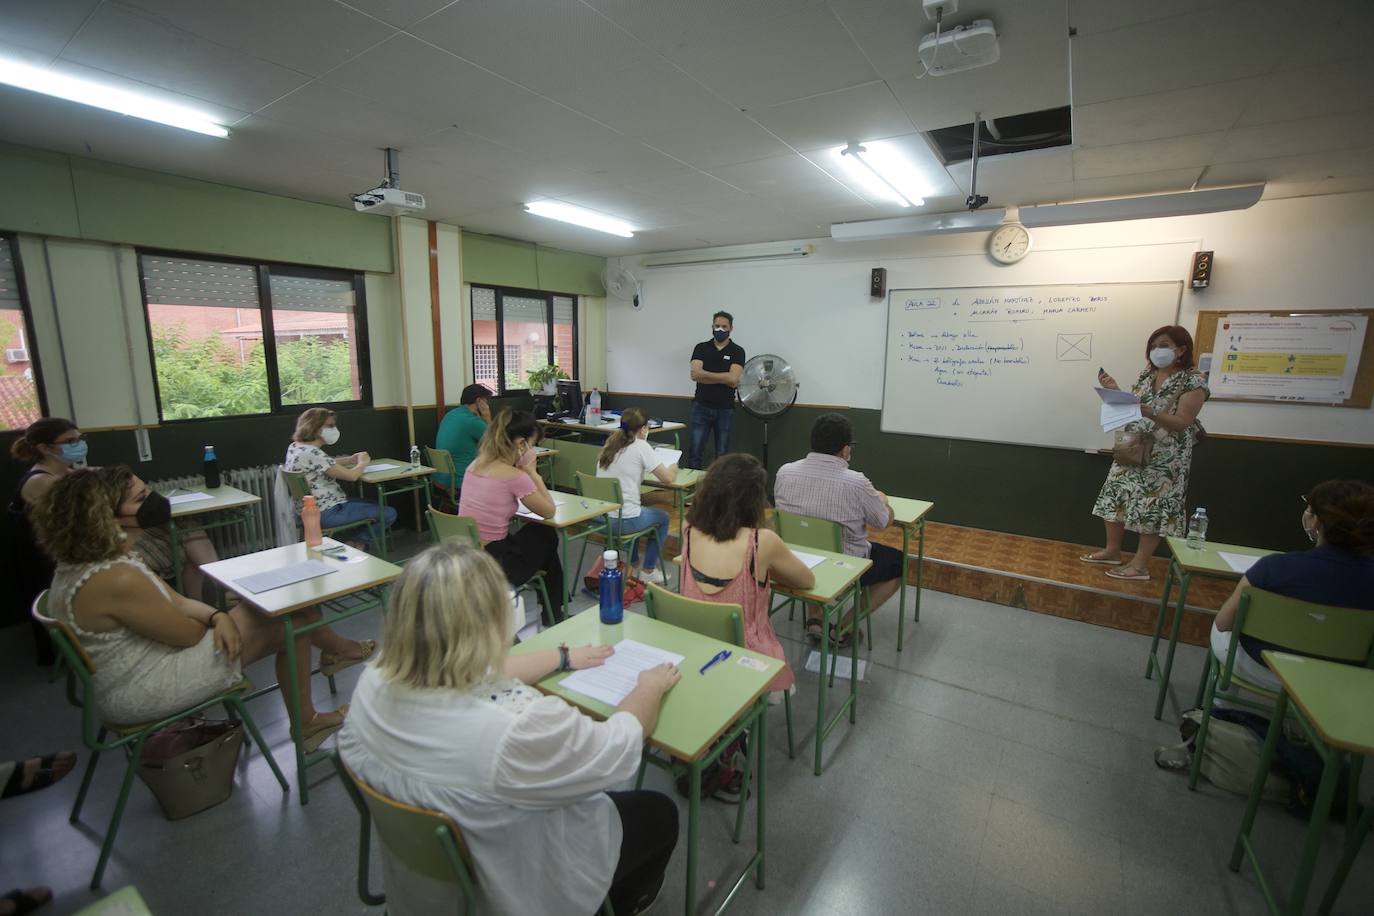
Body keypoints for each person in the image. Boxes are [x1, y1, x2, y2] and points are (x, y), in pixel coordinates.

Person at [338, 542, 681, 916]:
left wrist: (562, 657)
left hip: (422, 891)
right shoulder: (517, 727)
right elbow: (620, 748)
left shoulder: (371, 685)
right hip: (513, 890)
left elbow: (473, 671)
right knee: (657, 813)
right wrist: (648, 686)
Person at [31, 467, 367, 748]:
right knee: (290, 618)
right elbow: (189, 635)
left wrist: (217, 614)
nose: (153, 501)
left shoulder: (92, 560)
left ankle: (322, 687)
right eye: (141, 499)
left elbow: (175, 600)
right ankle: (317, 698)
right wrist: (215, 620)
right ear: (105, 517)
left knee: (289, 614)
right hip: (146, 687)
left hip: (137, 669)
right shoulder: (115, 578)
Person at [1211, 480, 1374, 689]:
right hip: (1340, 679)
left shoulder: (1273, 568)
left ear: (1316, 522)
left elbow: (1224, 623)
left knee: (1220, 629)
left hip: (1263, 669)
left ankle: (1220, 708)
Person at [681, 454, 814, 694]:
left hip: (694, 649)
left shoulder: (688, 529)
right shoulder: (763, 542)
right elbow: (806, 581)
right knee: (787, 690)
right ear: (755, 500)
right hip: (748, 660)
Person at [1084, 325, 1209, 581]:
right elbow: (1134, 405)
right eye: (1153, 346)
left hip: (1165, 456)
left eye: (1162, 345)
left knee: (1153, 505)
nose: (1156, 351)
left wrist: (1150, 412)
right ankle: (1112, 550)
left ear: (1181, 349)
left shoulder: (1193, 381)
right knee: (1115, 494)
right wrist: (1115, 391)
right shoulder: (1147, 375)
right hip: (1133, 444)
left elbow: (1182, 422)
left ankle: (1139, 565)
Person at [774, 413, 899, 647]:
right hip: (844, 566)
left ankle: (815, 618)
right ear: (844, 450)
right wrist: (883, 501)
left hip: (797, 559)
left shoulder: (785, 472)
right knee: (897, 563)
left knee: (810, 542)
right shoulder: (857, 483)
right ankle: (841, 628)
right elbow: (883, 523)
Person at [459, 410, 564, 621]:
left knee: (543, 545)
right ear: (520, 444)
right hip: (494, 564)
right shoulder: (515, 476)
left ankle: (554, 609)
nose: (533, 451)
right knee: (546, 533)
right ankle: (553, 611)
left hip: (466, 554)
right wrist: (533, 472)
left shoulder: (475, 465)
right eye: (532, 445)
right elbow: (550, 511)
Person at [7, 418, 83, 664]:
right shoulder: (41, 481)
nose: (78, 445)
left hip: (56, 549)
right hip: (42, 557)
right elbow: (73, 521)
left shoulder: (63, 472)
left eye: (79, 439)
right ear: (45, 448)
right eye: (70, 441)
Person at [284, 407, 397, 550]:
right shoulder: (312, 452)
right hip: (328, 512)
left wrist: (349, 459)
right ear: (315, 428)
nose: (334, 429)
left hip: (311, 510)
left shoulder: (296, 447)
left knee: (373, 503)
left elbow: (324, 463)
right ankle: (357, 543)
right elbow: (352, 476)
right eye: (330, 426)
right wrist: (362, 463)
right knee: (388, 513)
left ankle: (352, 541)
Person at [596, 408, 676, 591]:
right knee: (662, 518)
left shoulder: (609, 445)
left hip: (600, 518)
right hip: (623, 522)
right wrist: (673, 467)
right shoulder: (641, 446)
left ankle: (632, 565)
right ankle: (647, 571)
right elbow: (668, 479)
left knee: (635, 510)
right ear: (643, 429)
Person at [687, 310, 744, 469]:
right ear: (712, 326)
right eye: (717, 326)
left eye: (724, 326)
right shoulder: (701, 347)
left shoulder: (737, 351)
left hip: (725, 409)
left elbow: (734, 379)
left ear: (731, 328)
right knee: (695, 451)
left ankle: (718, 491)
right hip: (701, 406)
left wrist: (706, 375)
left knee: (722, 455)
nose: (720, 329)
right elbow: (695, 375)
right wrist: (724, 378)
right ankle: (692, 492)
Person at [434, 383, 493, 499]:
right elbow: (496, 442)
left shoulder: (449, 415)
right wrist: (487, 417)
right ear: (479, 401)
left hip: (439, 481)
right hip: (461, 483)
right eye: (486, 401)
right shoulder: (472, 421)